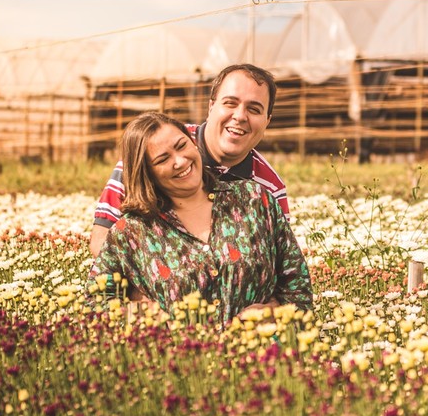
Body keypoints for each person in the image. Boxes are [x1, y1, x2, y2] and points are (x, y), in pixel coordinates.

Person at [88, 111, 313, 324]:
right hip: (180, 361)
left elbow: (298, 287)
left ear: (193, 142)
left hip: (265, 359)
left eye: (181, 145)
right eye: (163, 159)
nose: (180, 161)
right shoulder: (131, 231)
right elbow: (94, 304)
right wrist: (133, 314)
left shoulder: (255, 200)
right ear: (146, 172)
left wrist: (277, 313)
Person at [90, 63, 288, 258]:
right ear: (211, 106)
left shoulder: (270, 188)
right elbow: (101, 239)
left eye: (254, 109)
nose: (240, 116)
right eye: (230, 103)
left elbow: (279, 264)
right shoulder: (152, 150)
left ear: (267, 120)